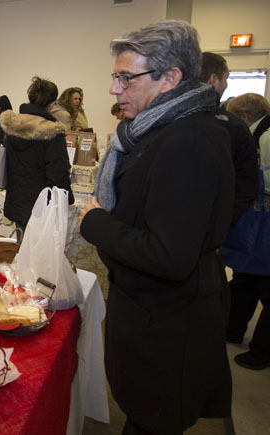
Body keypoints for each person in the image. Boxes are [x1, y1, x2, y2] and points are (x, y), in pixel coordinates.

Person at [78, 21, 234, 434]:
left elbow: (168, 256)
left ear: (170, 78)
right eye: (116, 76)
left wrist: (95, 223)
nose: (114, 89)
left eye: (126, 78)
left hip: (168, 328)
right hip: (154, 315)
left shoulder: (189, 141)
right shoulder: (160, 131)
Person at [220, 92, 270, 370]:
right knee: (245, 279)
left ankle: (262, 351)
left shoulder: (266, 136)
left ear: (245, 118)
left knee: (265, 285)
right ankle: (232, 329)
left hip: (264, 222)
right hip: (257, 220)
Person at [0, 76, 73, 233]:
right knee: (39, 255)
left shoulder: (12, 126)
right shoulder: (52, 132)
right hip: (42, 206)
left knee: (22, 249)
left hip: (17, 201)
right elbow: (58, 173)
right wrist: (67, 199)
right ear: (52, 104)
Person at [200, 52, 258, 224]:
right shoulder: (232, 126)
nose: (226, 85)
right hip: (216, 227)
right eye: (226, 78)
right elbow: (246, 185)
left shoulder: (165, 120)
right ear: (213, 80)